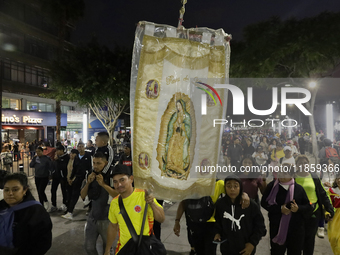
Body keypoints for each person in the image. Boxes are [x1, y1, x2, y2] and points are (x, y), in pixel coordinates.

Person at [173, 180, 251, 255]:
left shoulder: (218, 184)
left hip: (211, 225)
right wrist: (177, 221)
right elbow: (183, 202)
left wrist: (244, 194)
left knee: (209, 251)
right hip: (194, 223)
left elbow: (232, 190)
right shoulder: (190, 184)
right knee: (199, 249)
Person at [104, 164, 165, 255]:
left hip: (144, 247)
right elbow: (113, 227)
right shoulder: (114, 203)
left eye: (122, 180)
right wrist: (107, 249)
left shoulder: (144, 195)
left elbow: (161, 219)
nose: (119, 184)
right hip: (125, 249)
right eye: (115, 181)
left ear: (131, 179)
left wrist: (152, 203)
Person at [261, 163, 313, 255]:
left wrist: (298, 208)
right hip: (277, 228)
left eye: (285, 173)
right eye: (280, 171)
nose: (281, 175)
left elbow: (309, 207)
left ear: (292, 175)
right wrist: (280, 209)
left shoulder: (298, 189)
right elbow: (264, 203)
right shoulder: (272, 186)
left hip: (295, 230)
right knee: (276, 251)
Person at [0, 172, 52, 255]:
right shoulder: (1, 207)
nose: (10, 193)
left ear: (25, 190)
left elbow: (43, 242)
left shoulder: (36, 211)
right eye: (6, 190)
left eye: (15, 189)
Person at [214, 174, 266, 255]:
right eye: (229, 186)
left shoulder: (250, 205)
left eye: (235, 186)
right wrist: (217, 233)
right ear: (225, 188)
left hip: (245, 248)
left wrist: (252, 244)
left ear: (240, 187)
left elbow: (260, 227)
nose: (232, 189)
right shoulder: (220, 204)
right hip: (227, 248)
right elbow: (217, 221)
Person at [294, 155, 334, 255]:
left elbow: (322, 194)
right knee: (296, 240)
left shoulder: (313, 176)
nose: (303, 165)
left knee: (309, 240)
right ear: (297, 165)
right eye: (300, 163)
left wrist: (329, 209)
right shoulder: (293, 177)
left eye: (305, 163)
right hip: (297, 212)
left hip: (313, 212)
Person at [81, 152, 118, 255]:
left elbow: (117, 195)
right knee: (89, 247)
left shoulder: (111, 175)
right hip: (92, 217)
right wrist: (88, 182)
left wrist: (103, 184)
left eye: (98, 163)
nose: (95, 166)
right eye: (94, 163)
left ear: (105, 163)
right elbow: (83, 195)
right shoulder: (90, 174)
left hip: (107, 219)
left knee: (108, 248)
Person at [62, 143, 92, 219]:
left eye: (82, 146)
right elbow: (74, 168)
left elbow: (90, 167)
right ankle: (70, 212)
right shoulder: (76, 157)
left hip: (85, 178)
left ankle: (90, 209)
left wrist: (88, 177)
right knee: (74, 195)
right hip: (77, 178)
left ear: (84, 147)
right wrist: (71, 178)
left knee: (86, 195)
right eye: (79, 146)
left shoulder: (88, 156)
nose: (80, 148)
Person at [51, 145, 70, 212]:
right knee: (53, 190)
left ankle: (64, 204)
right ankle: (54, 205)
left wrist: (58, 160)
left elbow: (64, 166)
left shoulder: (67, 157)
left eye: (58, 150)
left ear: (62, 150)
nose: (56, 152)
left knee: (64, 191)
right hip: (56, 176)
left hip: (63, 177)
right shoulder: (56, 158)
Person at [327, 173, 340, 255]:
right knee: (333, 239)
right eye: (338, 178)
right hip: (334, 219)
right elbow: (326, 204)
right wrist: (327, 213)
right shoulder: (331, 192)